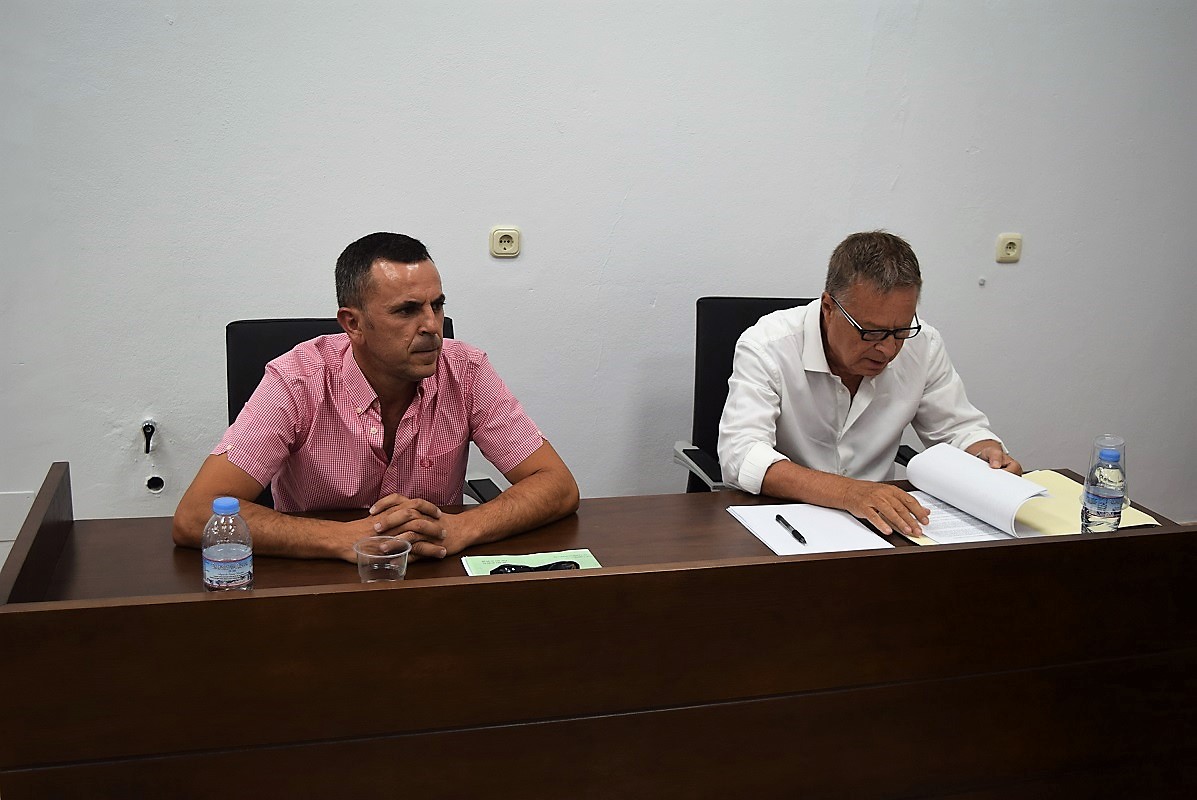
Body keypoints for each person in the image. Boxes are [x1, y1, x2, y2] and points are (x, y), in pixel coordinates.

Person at [173, 232, 579, 562]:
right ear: (353, 323)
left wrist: (462, 527)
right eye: (407, 310)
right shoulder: (297, 379)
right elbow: (195, 515)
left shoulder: (466, 371)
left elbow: (558, 485)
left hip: (431, 572)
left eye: (437, 306)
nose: (431, 326)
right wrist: (340, 538)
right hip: (320, 579)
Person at [717, 230, 1021, 538]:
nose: (888, 350)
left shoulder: (923, 345)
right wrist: (849, 492)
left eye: (901, 331)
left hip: (880, 525)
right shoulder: (768, 345)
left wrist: (985, 452)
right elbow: (741, 455)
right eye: (871, 332)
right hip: (783, 522)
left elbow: (957, 429)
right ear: (828, 307)